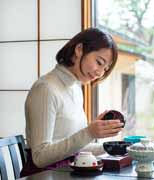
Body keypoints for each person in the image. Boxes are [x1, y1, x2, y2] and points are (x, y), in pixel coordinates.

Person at [20, 28, 123, 177]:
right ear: (79, 49)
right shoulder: (45, 88)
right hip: (44, 175)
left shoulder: (75, 88)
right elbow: (40, 157)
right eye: (99, 62)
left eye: (105, 69)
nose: (100, 73)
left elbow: (75, 147)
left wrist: (116, 148)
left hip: (70, 173)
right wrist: (89, 132)